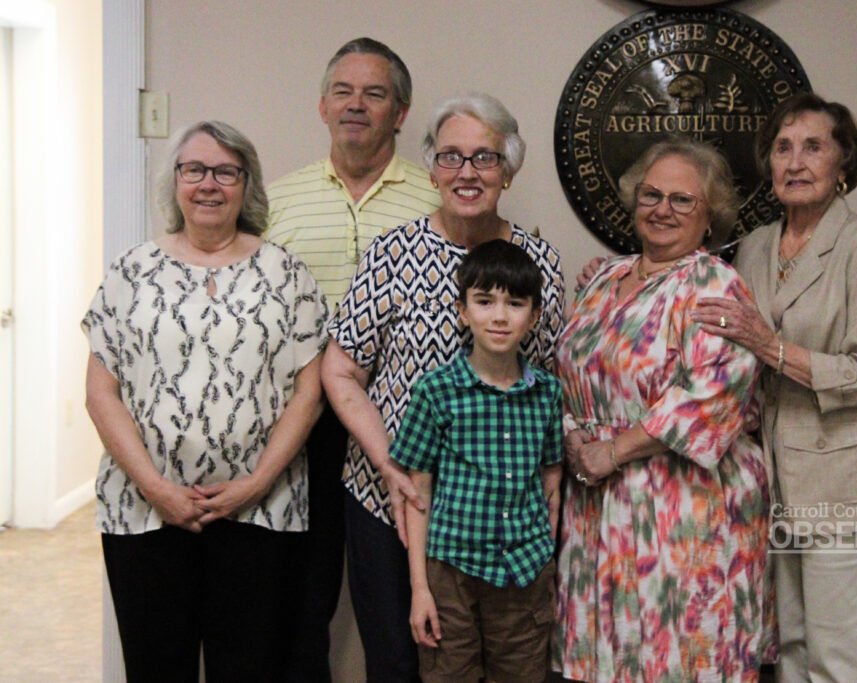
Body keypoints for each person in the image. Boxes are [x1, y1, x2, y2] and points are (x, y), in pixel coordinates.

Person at [321, 92, 564, 681]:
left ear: (509, 168)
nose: (467, 173)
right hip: (389, 498)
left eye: (484, 157)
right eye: (451, 157)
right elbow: (341, 369)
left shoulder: (539, 264)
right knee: (399, 664)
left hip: (496, 518)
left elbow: (550, 383)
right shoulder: (392, 253)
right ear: (431, 168)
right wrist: (393, 470)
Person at [82, 120, 327, 682]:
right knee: (155, 668)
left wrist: (256, 481)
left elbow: (308, 394)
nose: (208, 184)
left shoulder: (285, 273)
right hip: (144, 512)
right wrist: (156, 488)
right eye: (194, 170)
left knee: (251, 669)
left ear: (247, 184)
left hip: (260, 510)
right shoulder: (132, 270)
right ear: (175, 182)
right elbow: (101, 393)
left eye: (225, 171)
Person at [693, 93, 857, 683]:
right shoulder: (759, 243)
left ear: (844, 165)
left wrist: (768, 345)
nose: (795, 161)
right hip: (778, 474)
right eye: (783, 148)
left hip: (847, 480)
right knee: (789, 643)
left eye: (813, 147)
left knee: (837, 652)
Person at [552, 139, 770, 683]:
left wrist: (613, 452)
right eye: (651, 194)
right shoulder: (602, 278)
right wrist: (576, 437)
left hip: (679, 508)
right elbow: (568, 372)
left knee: (675, 657)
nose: (662, 209)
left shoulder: (714, 283)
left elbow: (712, 392)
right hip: (595, 501)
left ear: (709, 216)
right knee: (607, 657)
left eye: (682, 200)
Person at [265, 37, 441, 681]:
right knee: (301, 598)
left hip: (397, 428)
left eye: (375, 93)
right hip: (301, 425)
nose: (356, 105)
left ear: (401, 111)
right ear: (321, 106)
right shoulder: (277, 202)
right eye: (343, 91)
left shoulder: (436, 199)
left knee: (399, 600)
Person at [392, 240, 563, 683]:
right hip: (451, 571)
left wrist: (549, 562)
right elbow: (417, 492)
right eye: (485, 302)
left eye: (515, 303)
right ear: (464, 311)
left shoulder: (547, 393)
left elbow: (551, 480)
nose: (500, 316)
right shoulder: (437, 391)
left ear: (535, 315)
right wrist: (419, 590)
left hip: (524, 573)